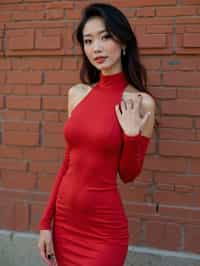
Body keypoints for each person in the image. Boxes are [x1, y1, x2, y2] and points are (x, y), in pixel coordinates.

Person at [37, 2, 156, 266]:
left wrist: (132, 135)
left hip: (104, 230)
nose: (97, 48)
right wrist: (46, 223)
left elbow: (128, 175)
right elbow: (68, 162)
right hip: (66, 224)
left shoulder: (140, 103)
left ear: (123, 42)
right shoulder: (77, 94)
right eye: (88, 41)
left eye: (105, 37)